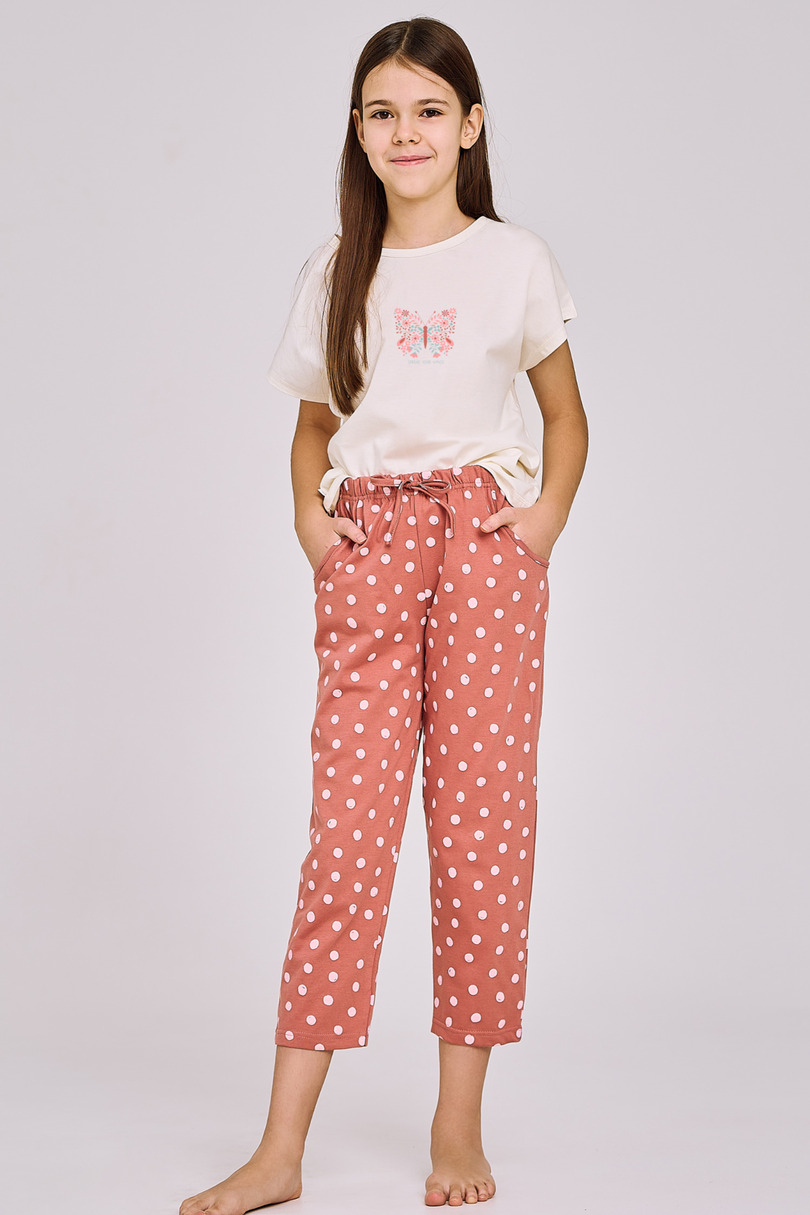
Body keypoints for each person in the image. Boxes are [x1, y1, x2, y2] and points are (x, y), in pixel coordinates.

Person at [179, 15, 588, 1213]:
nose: (405, 132)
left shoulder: (515, 260)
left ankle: (457, 1123)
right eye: (381, 112)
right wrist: (312, 526)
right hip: (371, 546)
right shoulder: (335, 269)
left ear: (469, 126)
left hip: (484, 549)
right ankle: (281, 1149)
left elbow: (565, 414)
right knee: (347, 837)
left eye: (427, 110)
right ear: (358, 133)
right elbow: (312, 422)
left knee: (481, 831)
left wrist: (539, 525)